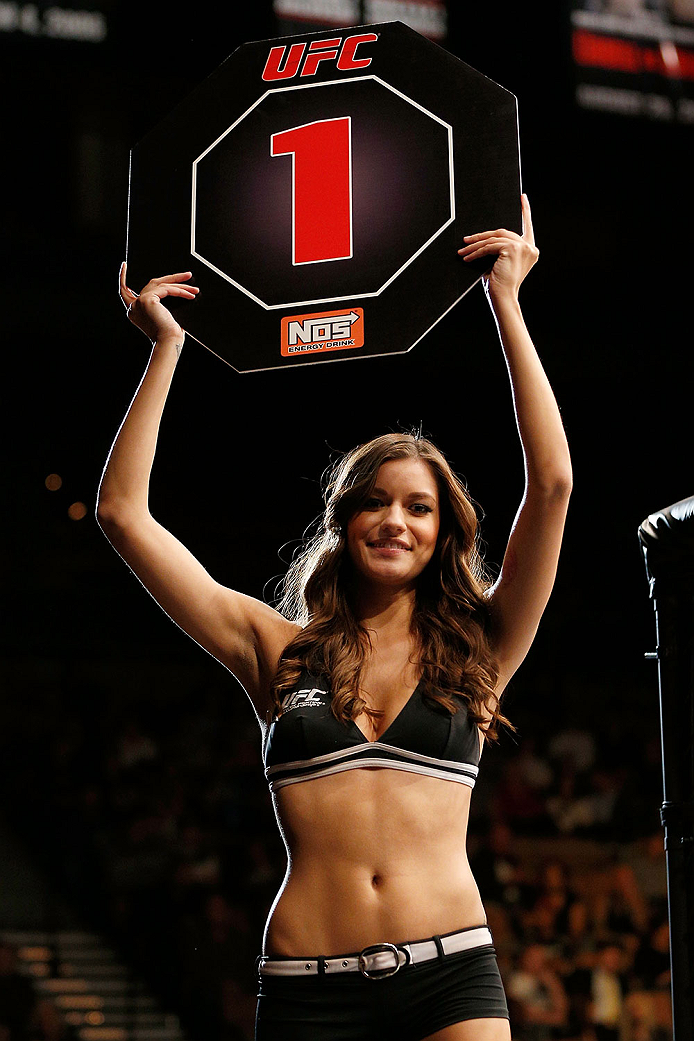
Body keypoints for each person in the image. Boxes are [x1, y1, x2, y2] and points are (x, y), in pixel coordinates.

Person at [99, 194, 572, 1041]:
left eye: (420, 508)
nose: (397, 520)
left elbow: (554, 486)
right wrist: (167, 348)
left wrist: (507, 301)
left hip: (452, 975)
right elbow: (123, 514)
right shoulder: (272, 648)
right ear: (345, 523)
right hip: (308, 987)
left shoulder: (483, 648)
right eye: (377, 503)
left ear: (443, 531)